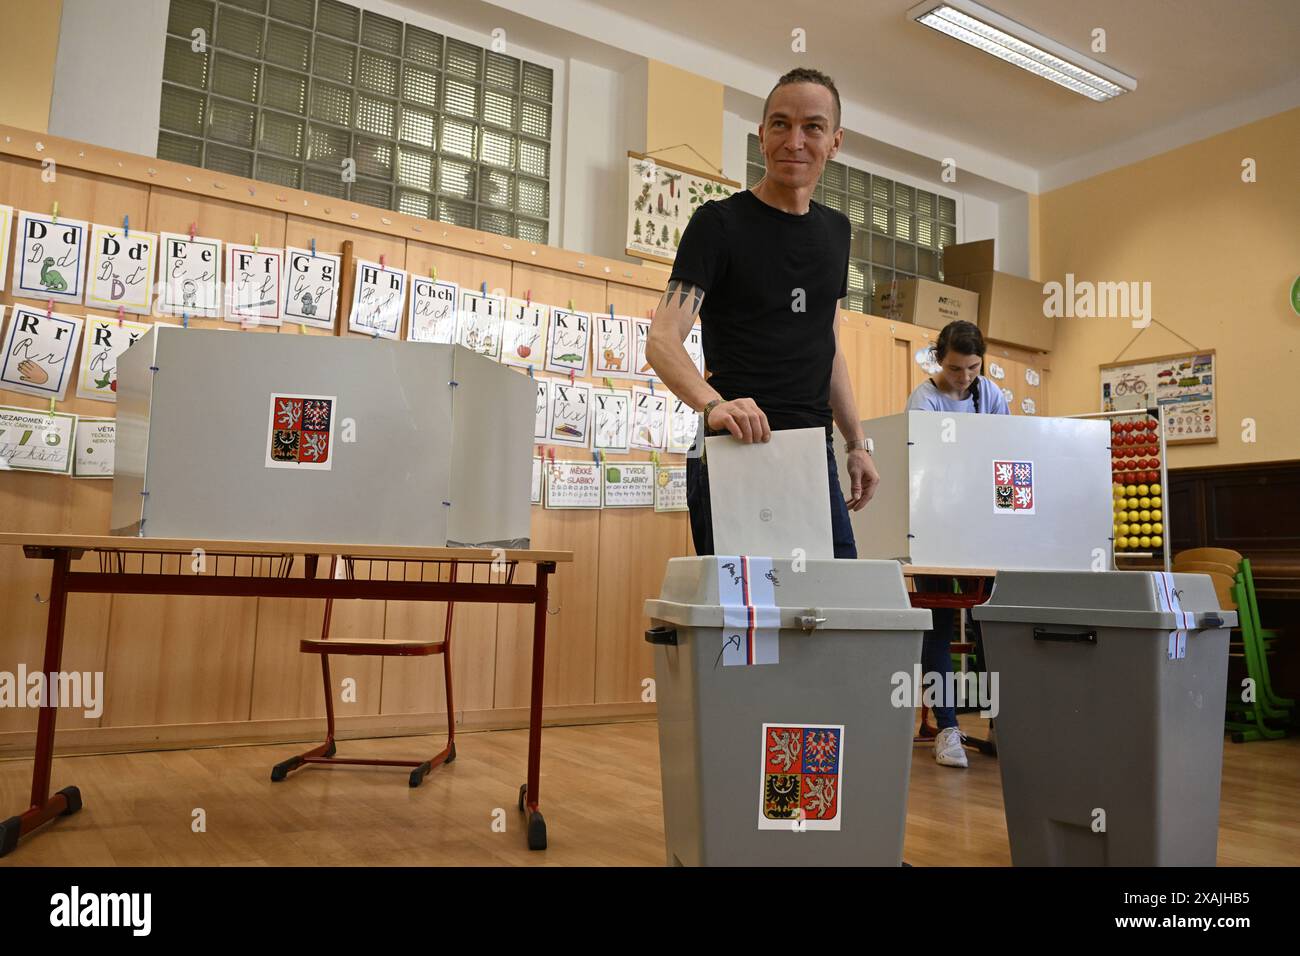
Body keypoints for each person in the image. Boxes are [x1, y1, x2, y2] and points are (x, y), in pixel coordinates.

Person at [645, 67, 880, 559]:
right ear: (761, 135)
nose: (794, 140)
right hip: (735, 452)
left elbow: (828, 344)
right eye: (780, 124)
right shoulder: (719, 224)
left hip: (812, 457)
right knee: (745, 623)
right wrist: (714, 405)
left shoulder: (837, 233)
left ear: (834, 142)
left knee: (836, 613)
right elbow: (663, 339)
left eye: (812, 127)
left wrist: (857, 442)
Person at [906, 319, 1008, 768]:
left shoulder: (993, 396)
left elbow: (1006, 453)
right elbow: (925, 464)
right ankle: (947, 727)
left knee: (994, 624)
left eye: (971, 368)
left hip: (984, 527)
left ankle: (1002, 723)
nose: (963, 377)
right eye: (953, 368)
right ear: (938, 359)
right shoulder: (924, 400)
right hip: (935, 525)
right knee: (940, 626)